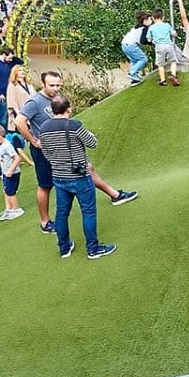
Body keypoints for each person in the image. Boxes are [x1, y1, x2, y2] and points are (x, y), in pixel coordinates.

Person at [39, 95, 117, 260]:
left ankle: (64, 248)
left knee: (61, 213)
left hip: (59, 177)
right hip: (79, 176)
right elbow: (92, 143)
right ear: (69, 109)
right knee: (88, 211)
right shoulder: (74, 126)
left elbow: (45, 152)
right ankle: (93, 249)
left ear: (52, 110)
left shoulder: (44, 128)